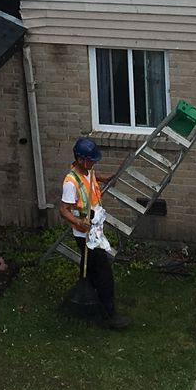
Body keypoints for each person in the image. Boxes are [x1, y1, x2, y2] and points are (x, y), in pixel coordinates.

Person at [60, 136, 127, 329]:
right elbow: (63, 210)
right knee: (104, 273)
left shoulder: (87, 170)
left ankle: (85, 301)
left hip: (95, 229)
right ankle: (109, 315)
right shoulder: (70, 183)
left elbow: (91, 178)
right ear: (80, 159)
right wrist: (79, 222)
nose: (93, 164)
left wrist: (104, 178)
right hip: (85, 234)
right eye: (91, 160)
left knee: (88, 269)